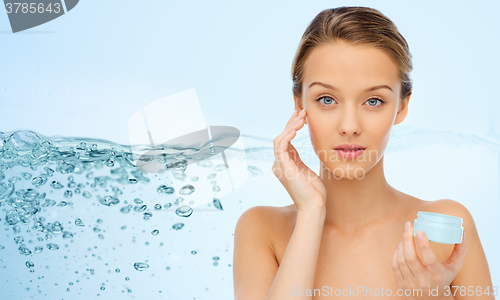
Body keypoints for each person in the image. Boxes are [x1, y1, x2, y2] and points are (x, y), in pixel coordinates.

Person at [232, 6, 495, 300]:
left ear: (402, 106)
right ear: (299, 104)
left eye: (373, 101)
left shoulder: (444, 227)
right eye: (327, 99)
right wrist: (310, 212)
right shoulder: (262, 231)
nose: (349, 126)